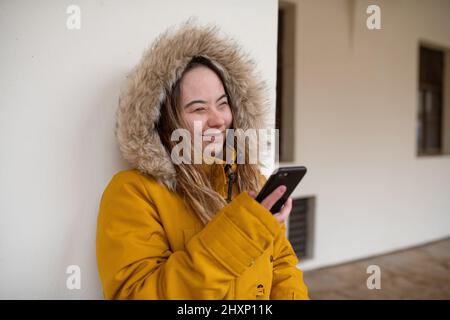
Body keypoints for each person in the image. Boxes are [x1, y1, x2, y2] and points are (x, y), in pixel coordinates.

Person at [96, 21, 309, 300]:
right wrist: (244, 231)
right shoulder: (133, 193)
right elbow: (138, 294)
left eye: (223, 104)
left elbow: (281, 266)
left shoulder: (250, 178)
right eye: (198, 108)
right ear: (166, 120)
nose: (219, 119)